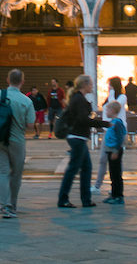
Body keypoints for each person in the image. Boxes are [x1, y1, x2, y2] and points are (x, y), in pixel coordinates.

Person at [0, 68, 36, 218]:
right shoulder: (26, 100)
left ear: (8, 80)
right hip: (17, 141)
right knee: (16, 174)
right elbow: (30, 124)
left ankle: (4, 205)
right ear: (22, 81)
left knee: (1, 172)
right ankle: (12, 205)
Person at [57, 73, 100, 209]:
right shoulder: (78, 99)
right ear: (85, 85)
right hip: (77, 137)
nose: (92, 86)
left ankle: (86, 199)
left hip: (78, 137)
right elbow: (83, 120)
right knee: (73, 169)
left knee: (86, 168)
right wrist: (104, 124)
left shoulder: (78, 98)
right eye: (91, 84)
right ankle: (63, 199)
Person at [92, 76, 127, 193]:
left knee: (116, 162)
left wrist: (111, 92)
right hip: (107, 130)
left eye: (110, 85)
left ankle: (116, 187)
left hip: (116, 131)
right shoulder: (109, 97)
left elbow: (114, 105)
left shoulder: (122, 97)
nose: (108, 87)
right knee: (103, 159)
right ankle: (98, 185)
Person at [102, 99, 127, 205]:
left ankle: (118, 195)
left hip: (115, 150)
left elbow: (121, 137)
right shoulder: (112, 122)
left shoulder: (117, 123)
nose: (106, 112)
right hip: (110, 150)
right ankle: (114, 194)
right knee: (112, 173)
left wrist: (116, 150)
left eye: (107, 110)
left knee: (116, 173)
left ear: (112, 111)